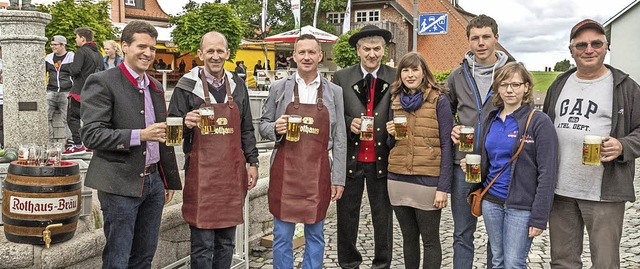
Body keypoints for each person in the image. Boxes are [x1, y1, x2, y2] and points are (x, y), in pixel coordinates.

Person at [80, 20, 182, 268]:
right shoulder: (102, 81)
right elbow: (91, 135)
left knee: (144, 257)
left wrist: (167, 179)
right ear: (124, 46)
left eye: (153, 48)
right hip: (119, 184)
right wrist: (140, 135)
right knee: (118, 259)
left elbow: (162, 138)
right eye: (142, 46)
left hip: (154, 183)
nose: (148, 53)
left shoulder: (155, 86)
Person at [543, 19, 640, 269]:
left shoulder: (626, 87)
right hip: (561, 191)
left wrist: (623, 146)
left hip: (604, 192)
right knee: (562, 262)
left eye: (596, 43)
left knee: (605, 263)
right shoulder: (559, 84)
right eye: (581, 45)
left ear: (606, 47)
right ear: (571, 50)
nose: (589, 49)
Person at [168, 31, 259, 268]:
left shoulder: (238, 85)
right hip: (201, 174)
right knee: (202, 244)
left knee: (226, 243)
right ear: (200, 54)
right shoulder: (186, 86)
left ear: (228, 54)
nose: (215, 56)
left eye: (220, 51)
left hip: (231, 174)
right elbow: (170, 132)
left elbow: (247, 129)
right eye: (210, 51)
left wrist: (253, 163)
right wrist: (184, 122)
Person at [259, 34, 346, 269]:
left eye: (311, 52)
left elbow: (340, 138)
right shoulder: (278, 87)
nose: (306, 57)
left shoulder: (334, 91)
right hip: (285, 172)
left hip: (317, 173)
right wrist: (275, 128)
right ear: (294, 56)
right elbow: (263, 126)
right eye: (302, 52)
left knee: (316, 235)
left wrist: (338, 178)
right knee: (282, 236)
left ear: (320, 56)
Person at [462, 62, 558, 268]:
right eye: (504, 85)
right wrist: (470, 164)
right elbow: (488, 159)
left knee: (514, 263)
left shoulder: (539, 122)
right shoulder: (491, 119)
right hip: (491, 201)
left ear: (526, 87)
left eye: (515, 84)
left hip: (521, 205)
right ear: (497, 89)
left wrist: (539, 217)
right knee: (497, 260)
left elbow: (548, 172)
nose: (509, 90)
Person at [446, 14, 511, 269]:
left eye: (486, 37)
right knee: (462, 233)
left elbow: (523, 115)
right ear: (469, 42)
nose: (481, 43)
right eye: (475, 38)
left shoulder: (511, 73)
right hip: (464, 165)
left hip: (499, 166)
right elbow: (446, 112)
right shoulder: (457, 76)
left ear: (496, 38)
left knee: (497, 236)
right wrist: (452, 127)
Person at [331, 24, 395, 269]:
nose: (372, 54)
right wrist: (350, 123)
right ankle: (349, 263)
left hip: (383, 158)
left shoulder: (394, 75)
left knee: (383, 219)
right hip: (351, 157)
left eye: (377, 48)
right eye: (367, 49)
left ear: (384, 50)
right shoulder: (342, 77)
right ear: (358, 50)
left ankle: (382, 264)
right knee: (346, 217)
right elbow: (334, 114)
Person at [384, 52, 452, 269]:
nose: (410, 74)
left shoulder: (439, 100)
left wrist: (443, 187)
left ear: (424, 73)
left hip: (428, 180)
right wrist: (390, 134)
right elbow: (389, 144)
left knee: (430, 241)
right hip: (398, 178)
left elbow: (447, 145)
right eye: (405, 70)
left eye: (415, 69)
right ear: (400, 74)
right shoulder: (394, 99)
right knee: (408, 238)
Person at [67, 27, 104, 155]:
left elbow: (75, 70)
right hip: (94, 91)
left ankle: (78, 145)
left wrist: (69, 68)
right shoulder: (99, 54)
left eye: (76, 37)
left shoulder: (81, 52)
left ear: (82, 38)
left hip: (79, 90)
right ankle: (90, 144)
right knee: (90, 119)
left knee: (73, 117)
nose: (76, 40)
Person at [45, 35, 74, 143]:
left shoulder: (71, 57)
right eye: (52, 44)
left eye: (55, 44)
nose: (53, 46)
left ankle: (70, 141)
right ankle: (49, 142)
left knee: (67, 118)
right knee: (46, 117)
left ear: (63, 45)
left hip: (66, 91)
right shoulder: (48, 57)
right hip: (51, 91)